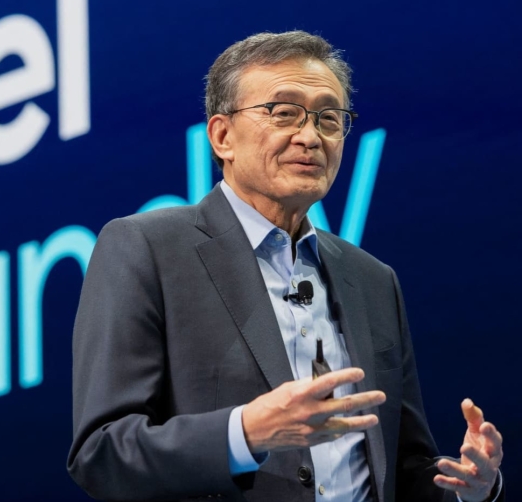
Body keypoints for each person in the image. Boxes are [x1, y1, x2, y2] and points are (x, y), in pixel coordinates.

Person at [67, 31, 504, 501]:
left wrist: (469, 488)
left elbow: (401, 470)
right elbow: (103, 453)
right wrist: (245, 433)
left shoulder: (374, 280)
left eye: (329, 118)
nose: (311, 137)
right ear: (222, 136)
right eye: (284, 113)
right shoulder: (146, 249)